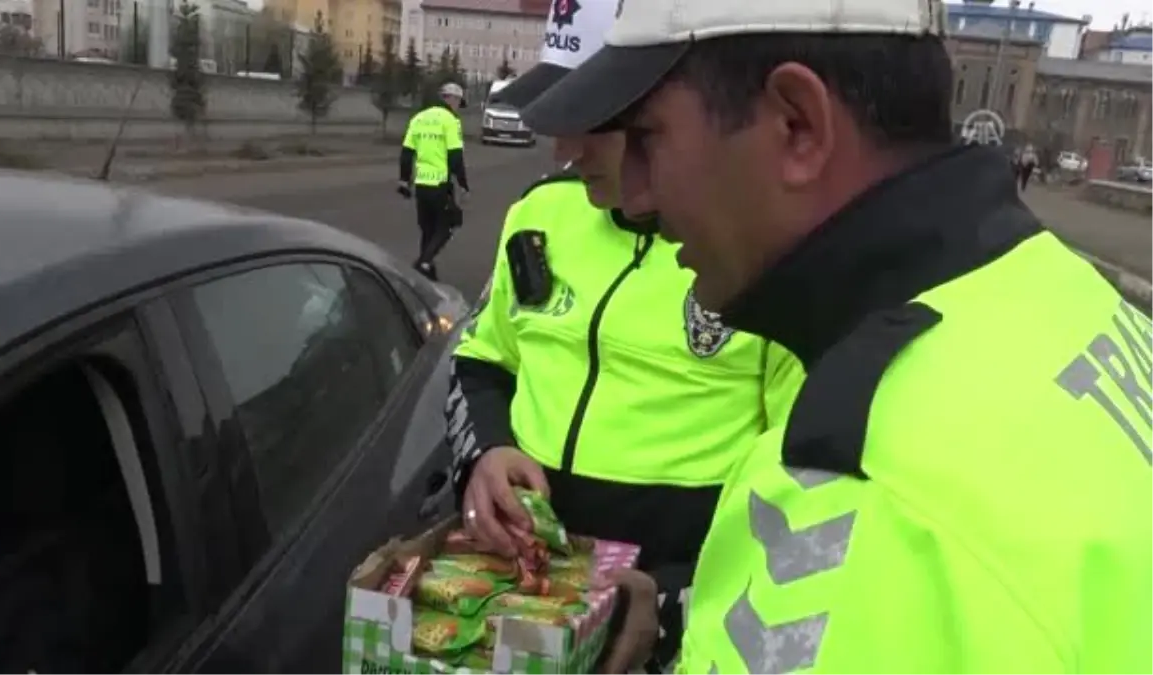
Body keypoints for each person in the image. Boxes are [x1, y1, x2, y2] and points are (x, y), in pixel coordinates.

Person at [520, 0, 1153, 671]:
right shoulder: (1071, 297)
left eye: (647, 137)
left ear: (798, 125)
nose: (633, 195)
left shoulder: (858, 494)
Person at [444, 0, 802, 670]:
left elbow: (806, 496)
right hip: (522, 599)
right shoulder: (538, 212)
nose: (565, 150)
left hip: (675, 632)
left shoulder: (759, 252)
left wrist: (673, 598)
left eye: (595, 123)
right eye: (556, 113)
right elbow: (480, 359)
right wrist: (486, 453)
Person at [398, 82, 470, 281]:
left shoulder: (418, 118)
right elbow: (455, 156)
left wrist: (404, 180)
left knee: (428, 230)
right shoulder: (450, 121)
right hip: (440, 184)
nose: (458, 108)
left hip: (422, 184)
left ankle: (428, 278)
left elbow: (406, 153)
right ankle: (423, 263)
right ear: (451, 99)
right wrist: (463, 185)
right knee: (450, 224)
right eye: (458, 103)